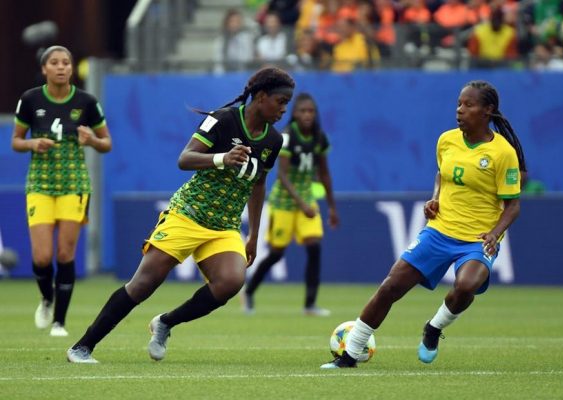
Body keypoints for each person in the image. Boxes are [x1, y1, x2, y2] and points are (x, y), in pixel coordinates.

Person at [66, 67, 295, 363]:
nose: (283, 109)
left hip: (223, 226)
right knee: (144, 283)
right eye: (280, 101)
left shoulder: (273, 141)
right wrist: (221, 158)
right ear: (261, 97)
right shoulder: (223, 119)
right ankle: (83, 346)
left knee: (230, 282)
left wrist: (252, 234)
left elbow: (259, 183)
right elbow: (184, 159)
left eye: (286, 103)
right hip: (188, 213)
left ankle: (165, 323)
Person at [321, 80, 526, 368]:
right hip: (440, 231)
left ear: (487, 110)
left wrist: (495, 233)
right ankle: (349, 355)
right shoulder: (447, 140)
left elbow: (513, 204)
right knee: (391, 286)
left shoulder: (503, 153)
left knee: (465, 286)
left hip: (478, 238)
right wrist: (435, 198)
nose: (460, 110)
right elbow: (442, 175)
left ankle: (433, 328)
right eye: (459, 103)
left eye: (468, 105)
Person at [11, 45, 112, 337]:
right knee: (42, 257)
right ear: (45, 69)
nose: (61, 67)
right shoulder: (30, 99)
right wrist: (32, 143)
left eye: (66, 62)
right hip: (40, 184)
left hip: (74, 184)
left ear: (71, 68)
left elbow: (107, 144)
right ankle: (46, 298)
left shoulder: (87, 102)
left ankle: (59, 322)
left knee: (65, 254)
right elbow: (16, 141)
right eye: (54, 63)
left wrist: (92, 140)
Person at [243, 92, 338, 316]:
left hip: (307, 201)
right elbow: (282, 176)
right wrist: (302, 204)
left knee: (314, 247)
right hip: (284, 203)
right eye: (303, 111)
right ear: (294, 114)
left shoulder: (319, 138)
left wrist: (332, 207)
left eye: (311, 111)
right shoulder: (286, 136)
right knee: (276, 253)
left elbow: (324, 173)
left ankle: (310, 304)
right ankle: (248, 291)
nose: (307, 115)